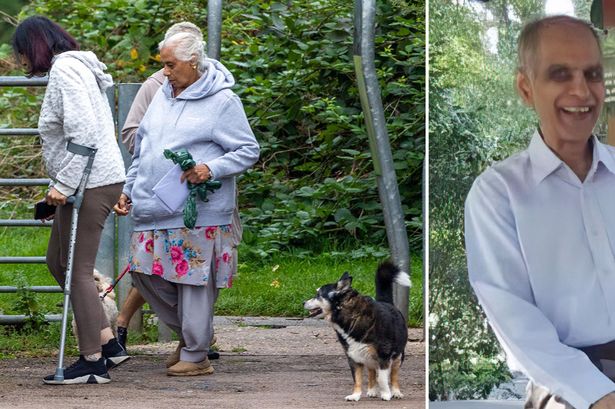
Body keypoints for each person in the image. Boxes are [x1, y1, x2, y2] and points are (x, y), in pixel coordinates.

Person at [465, 15, 615, 409]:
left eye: (592, 74)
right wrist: (599, 395)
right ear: (526, 88)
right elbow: (514, 318)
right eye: (560, 74)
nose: (581, 90)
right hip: (565, 384)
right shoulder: (498, 194)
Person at [114, 31, 259, 376]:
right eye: (163, 64)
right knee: (143, 271)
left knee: (193, 282)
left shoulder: (223, 101)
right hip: (152, 207)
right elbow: (143, 151)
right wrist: (128, 190)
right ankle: (195, 338)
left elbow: (248, 150)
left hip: (199, 212)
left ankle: (195, 355)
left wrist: (211, 168)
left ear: (193, 62)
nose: (164, 72)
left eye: (170, 64)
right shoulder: (162, 97)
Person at [12, 16, 128, 384]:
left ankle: (92, 361)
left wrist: (62, 184)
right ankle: (108, 344)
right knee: (57, 261)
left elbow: (84, 133)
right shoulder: (75, 68)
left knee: (76, 270)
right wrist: (59, 188)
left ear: (35, 47)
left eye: (20, 54)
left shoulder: (66, 71)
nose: (20, 63)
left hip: (88, 183)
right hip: (86, 181)